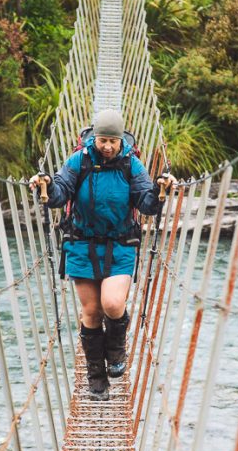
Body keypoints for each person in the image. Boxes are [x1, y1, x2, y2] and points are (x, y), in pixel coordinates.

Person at [29, 109, 177, 401]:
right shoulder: (79, 161)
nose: (108, 146)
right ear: (93, 138)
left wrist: (160, 191)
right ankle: (97, 378)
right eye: (102, 140)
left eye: (113, 140)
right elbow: (60, 193)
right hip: (82, 244)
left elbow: (145, 203)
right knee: (92, 312)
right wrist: (45, 186)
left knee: (112, 304)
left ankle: (116, 349)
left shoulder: (131, 165)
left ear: (122, 140)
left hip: (120, 244)